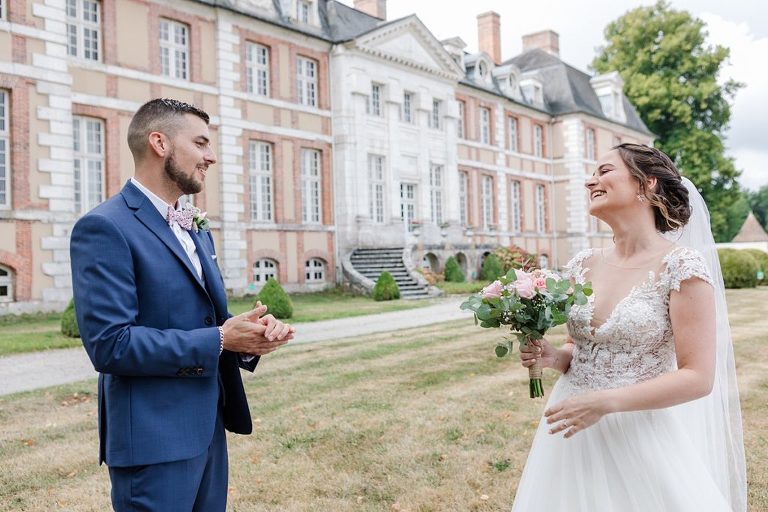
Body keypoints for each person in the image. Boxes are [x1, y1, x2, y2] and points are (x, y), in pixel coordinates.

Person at [70, 98, 294, 511]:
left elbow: (208, 319)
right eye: (201, 143)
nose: (211, 156)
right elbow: (110, 345)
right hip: (153, 442)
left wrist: (251, 334)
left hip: (209, 428)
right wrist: (221, 339)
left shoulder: (194, 225)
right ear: (160, 143)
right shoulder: (104, 227)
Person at [512, 144, 746, 511]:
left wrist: (605, 402)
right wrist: (555, 357)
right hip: (570, 423)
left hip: (637, 430)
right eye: (592, 174)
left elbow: (698, 377)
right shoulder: (583, 264)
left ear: (646, 184)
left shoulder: (681, 267)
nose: (591, 181)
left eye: (604, 171)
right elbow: (579, 346)